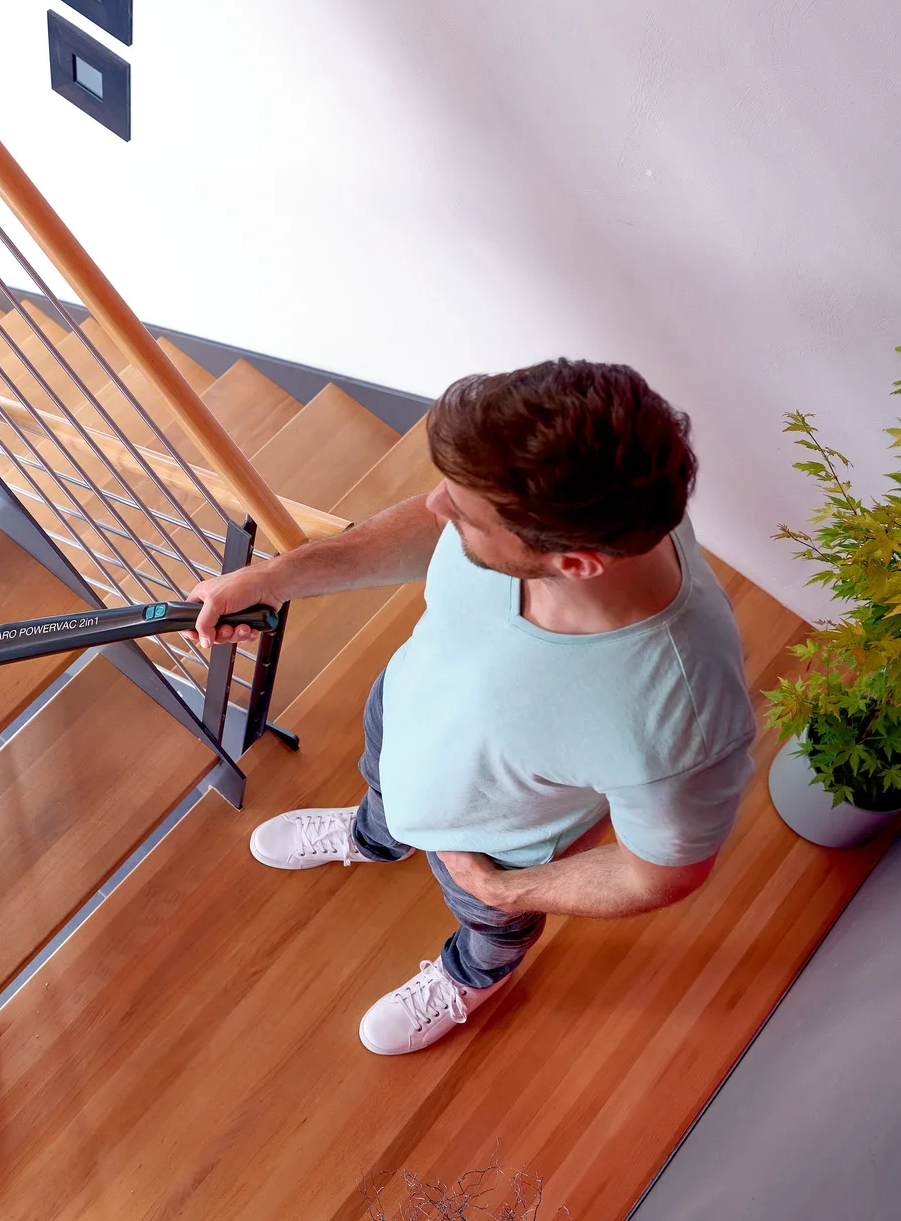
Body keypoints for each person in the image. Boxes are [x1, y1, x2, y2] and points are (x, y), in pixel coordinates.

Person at [188, 360, 754, 1056]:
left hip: (492, 846)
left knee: (488, 927)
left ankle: (471, 974)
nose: (436, 506)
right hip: (406, 716)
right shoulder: (577, 505)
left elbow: (660, 873)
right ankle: (376, 834)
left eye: (464, 511)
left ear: (574, 563)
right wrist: (280, 577)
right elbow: (432, 526)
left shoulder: (681, 724)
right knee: (384, 791)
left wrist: (504, 891)